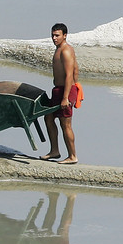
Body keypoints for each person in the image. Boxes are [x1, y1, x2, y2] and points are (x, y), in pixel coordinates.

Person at [42, 22, 79, 164]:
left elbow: (70, 75)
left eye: (57, 35)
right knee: (48, 117)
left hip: (66, 91)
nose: (54, 38)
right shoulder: (58, 49)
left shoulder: (66, 50)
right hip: (58, 90)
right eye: (52, 35)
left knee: (65, 124)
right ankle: (54, 151)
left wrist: (65, 97)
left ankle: (72, 156)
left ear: (65, 35)